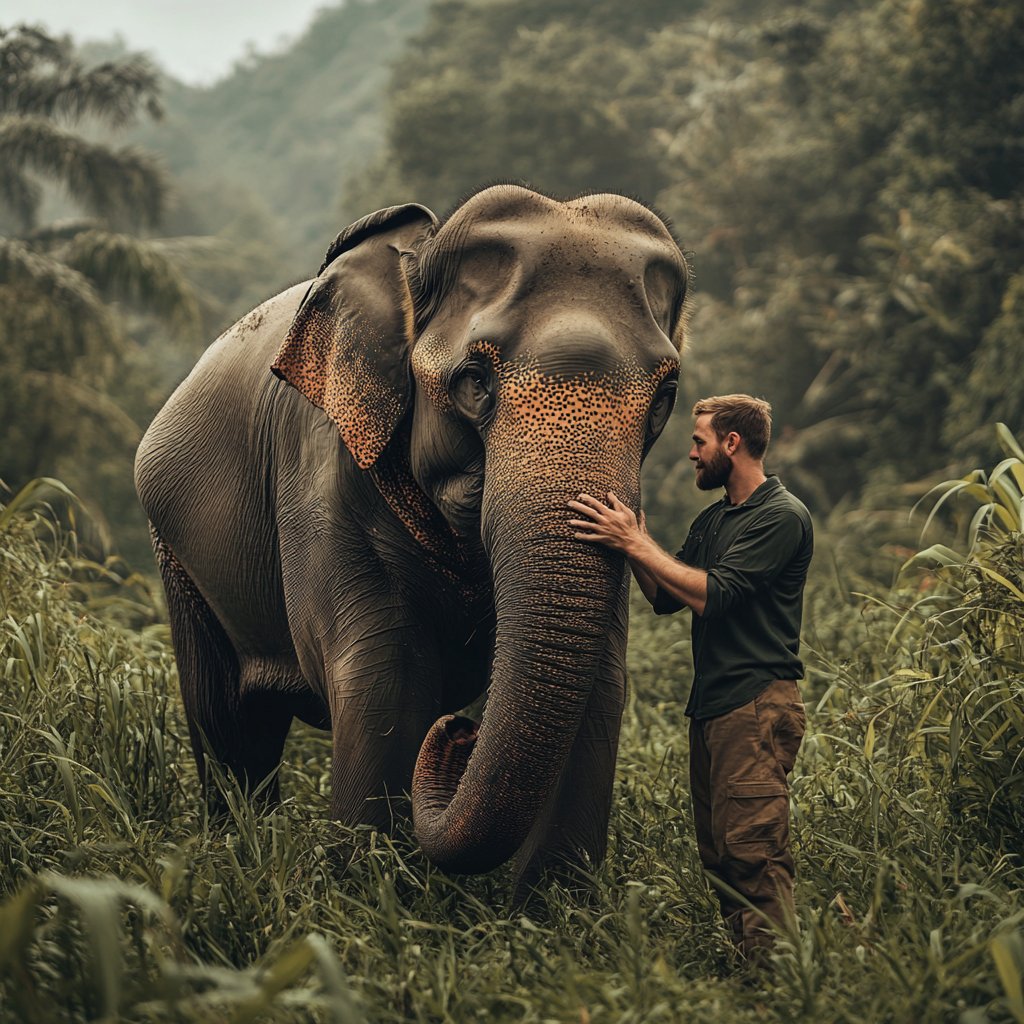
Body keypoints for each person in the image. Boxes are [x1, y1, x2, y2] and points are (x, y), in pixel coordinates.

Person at [568, 393, 813, 961]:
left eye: (699, 441)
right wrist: (632, 543)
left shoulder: (780, 516)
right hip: (713, 706)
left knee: (753, 849)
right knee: (720, 851)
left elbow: (717, 596)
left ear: (732, 444)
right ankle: (749, 967)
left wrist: (637, 543)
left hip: (756, 704)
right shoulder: (715, 519)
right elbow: (665, 597)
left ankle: (778, 977)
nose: (691, 454)